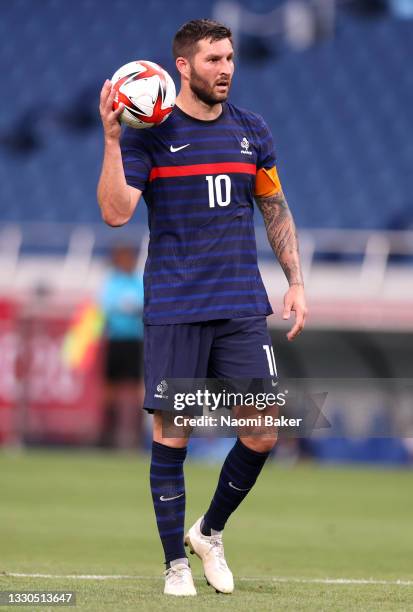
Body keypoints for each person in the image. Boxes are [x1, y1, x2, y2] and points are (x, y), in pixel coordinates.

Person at [97, 18, 307, 597]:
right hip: (175, 306)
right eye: (214, 59)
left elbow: (275, 207)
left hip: (241, 304)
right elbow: (116, 214)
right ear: (182, 67)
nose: (226, 69)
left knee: (265, 431)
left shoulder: (252, 130)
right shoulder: (149, 136)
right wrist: (112, 141)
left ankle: (209, 532)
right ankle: (175, 565)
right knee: (174, 434)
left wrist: (295, 280)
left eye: (231, 58)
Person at [99, 245, 144, 449]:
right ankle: (107, 435)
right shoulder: (112, 283)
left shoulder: (138, 281)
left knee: (135, 388)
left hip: (135, 341)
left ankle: (134, 436)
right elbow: (107, 306)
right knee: (110, 388)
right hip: (116, 341)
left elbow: (144, 303)